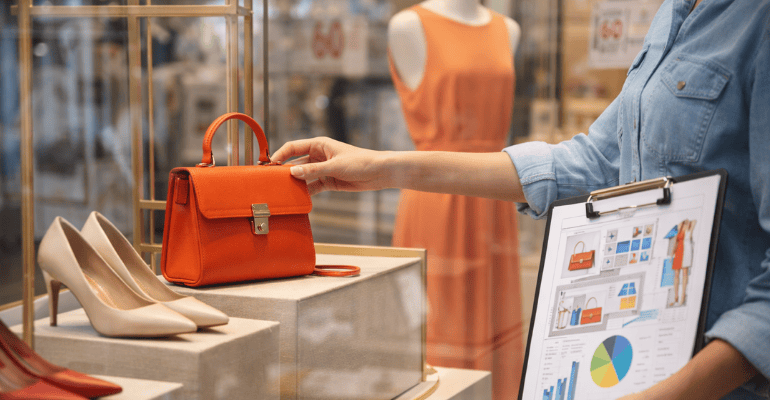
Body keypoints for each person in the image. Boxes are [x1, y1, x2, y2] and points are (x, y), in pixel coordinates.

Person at [273, 0, 770, 398]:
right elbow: (597, 160)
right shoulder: (674, 14)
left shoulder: (754, 20)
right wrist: (382, 166)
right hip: (630, 347)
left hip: (708, 376)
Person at [387, 0, 523, 397]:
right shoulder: (409, 25)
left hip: (494, 194)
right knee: (437, 326)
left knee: (493, 324)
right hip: (436, 197)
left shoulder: (507, 29)